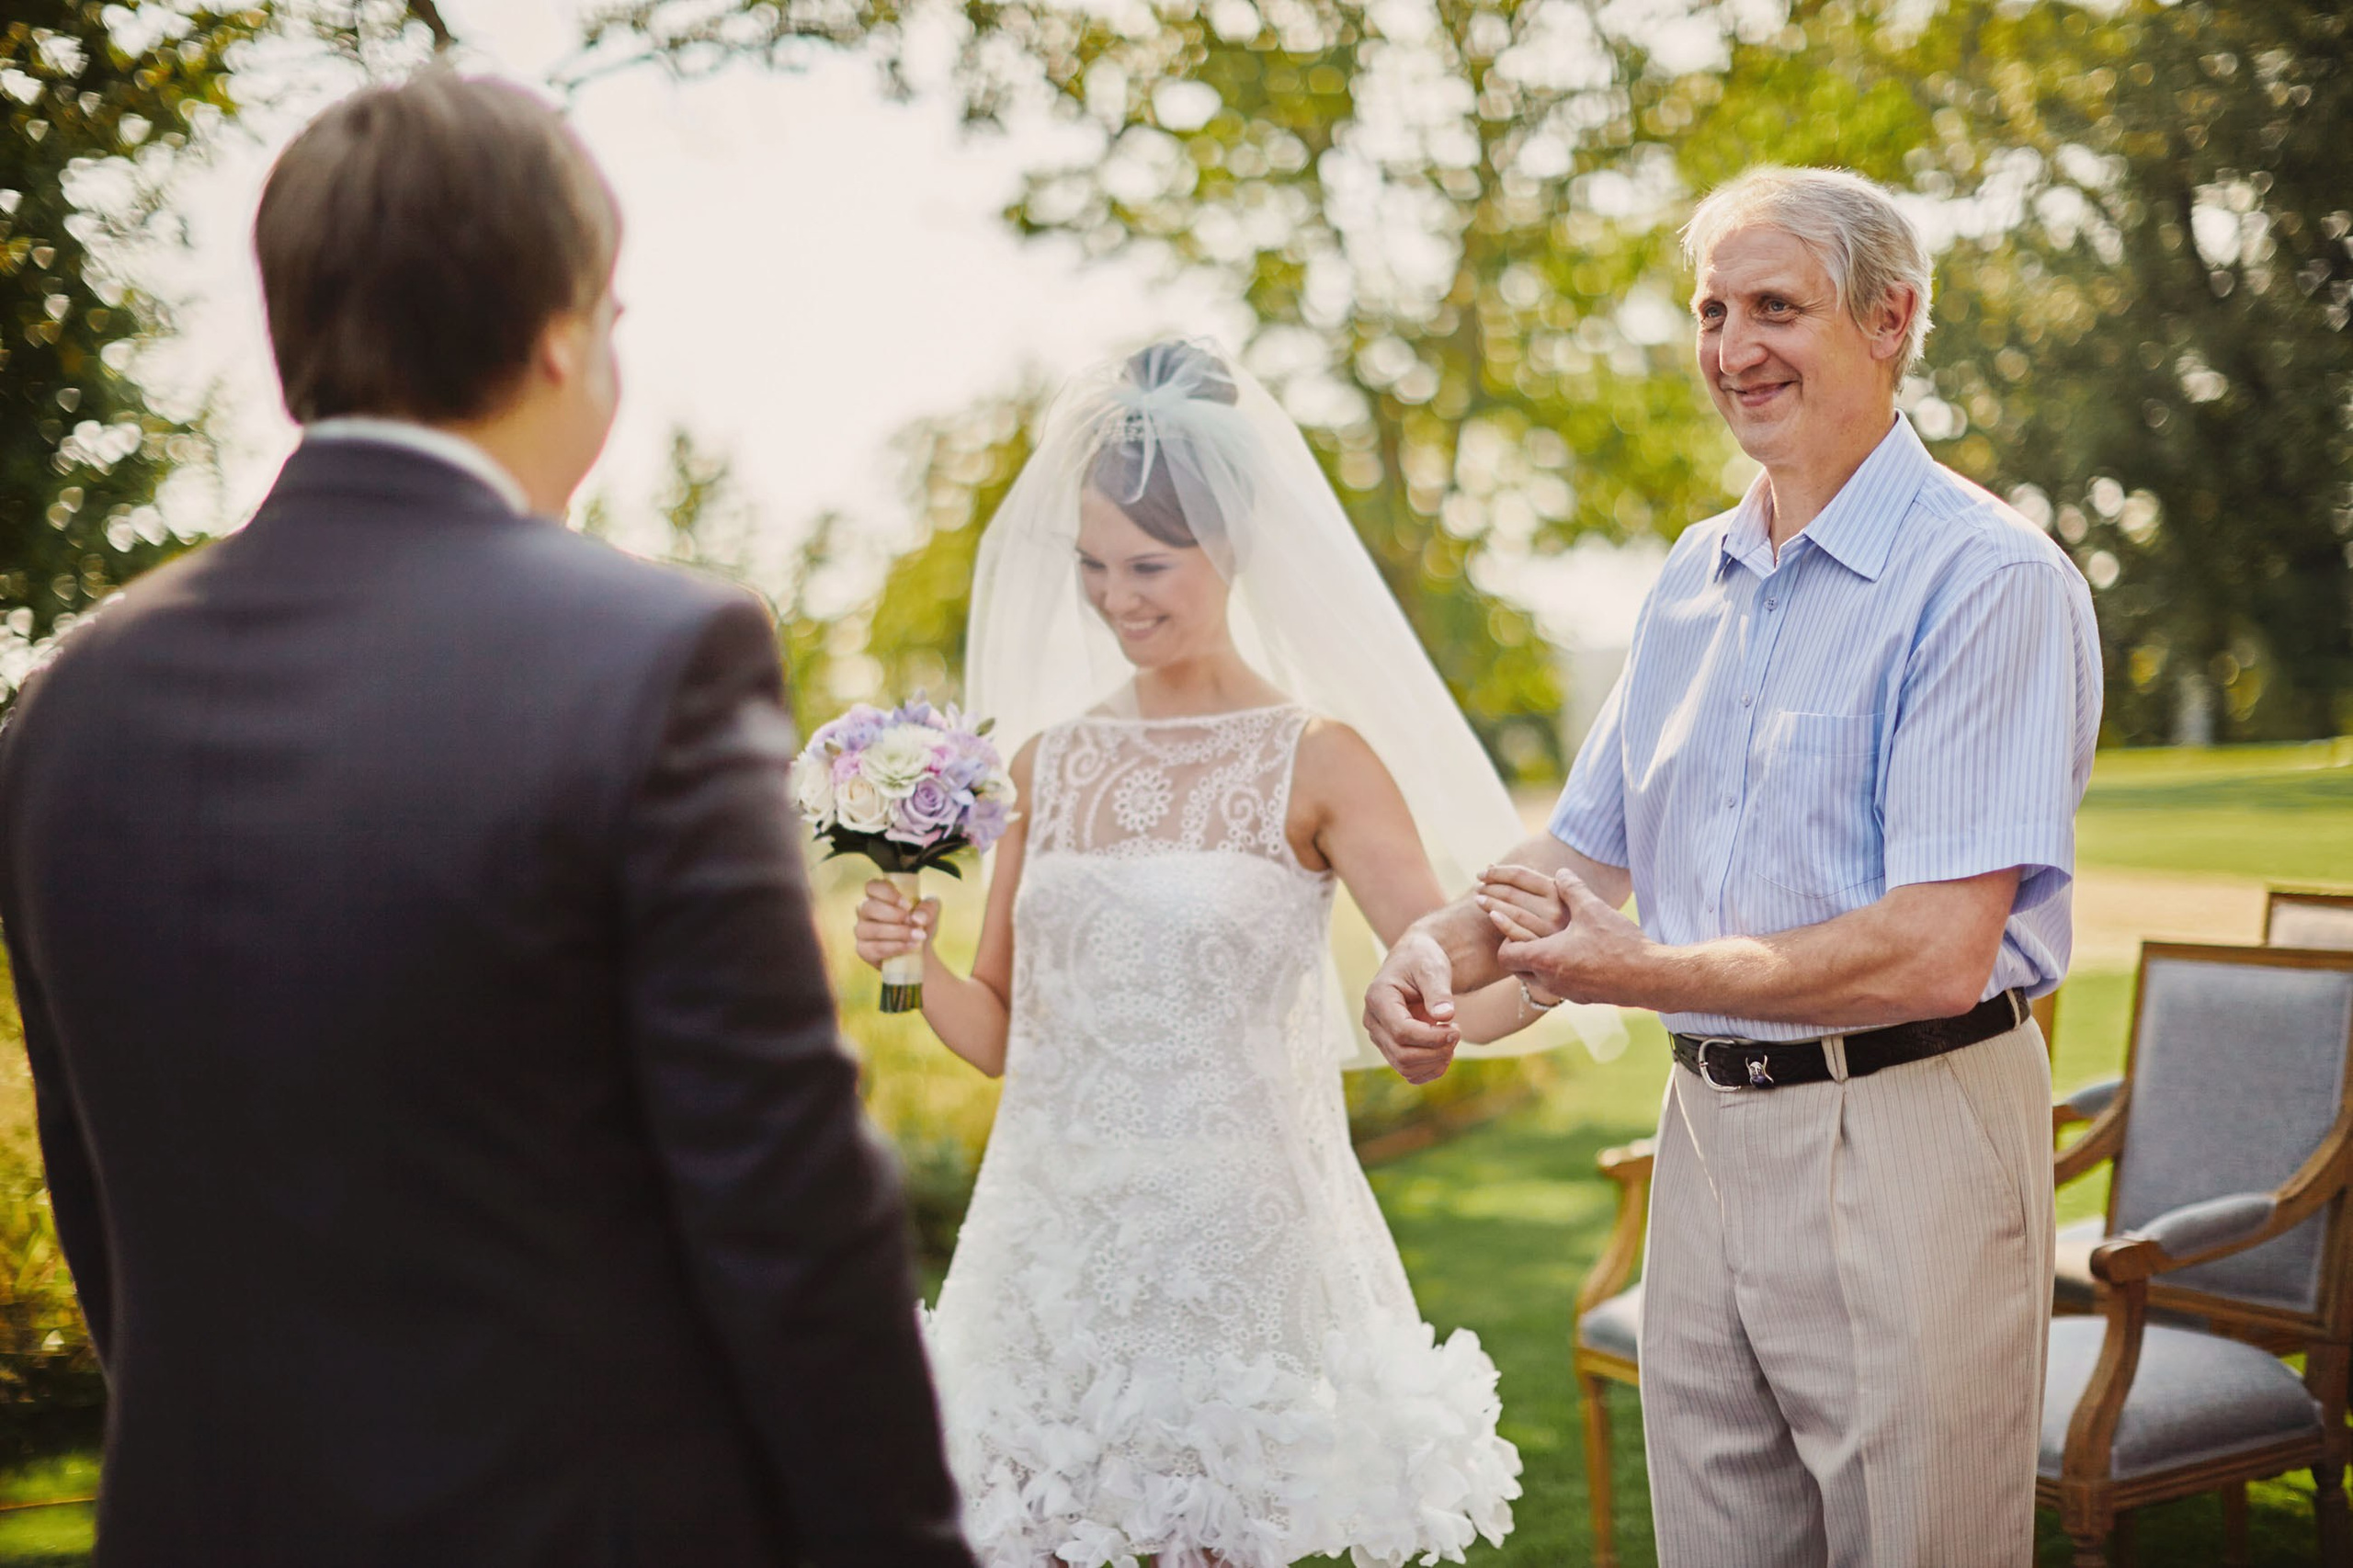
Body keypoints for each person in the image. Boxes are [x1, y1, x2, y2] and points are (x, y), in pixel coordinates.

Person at [0, 72, 972, 1567]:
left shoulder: (68, 705)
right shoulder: (653, 656)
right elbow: (788, 1217)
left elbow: (110, 1228)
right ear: (562, 333)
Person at [1365, 165, 2102, 1566]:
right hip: (1706, 1145)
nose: (1732, 348)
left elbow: (1936, 946)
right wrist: (1435, 955)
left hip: (1911, 1130)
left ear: (1892, 319)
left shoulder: (1990, 581)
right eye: (1712, 310)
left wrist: (1635, 971)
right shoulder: (1690, 580)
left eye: (1777, 306)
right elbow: (1577, 859)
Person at [849, 341, 1610, 1568]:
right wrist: (910, 962)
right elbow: (999, 1033)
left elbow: (1456, 966)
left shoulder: (1318, 757)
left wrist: (1445, 1022)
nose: (1118, 599)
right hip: (1051, 1257)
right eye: (1094, 567)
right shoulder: (1045, 764)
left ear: (1235, 547)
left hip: (1235, 1259)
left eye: (1150, 565)